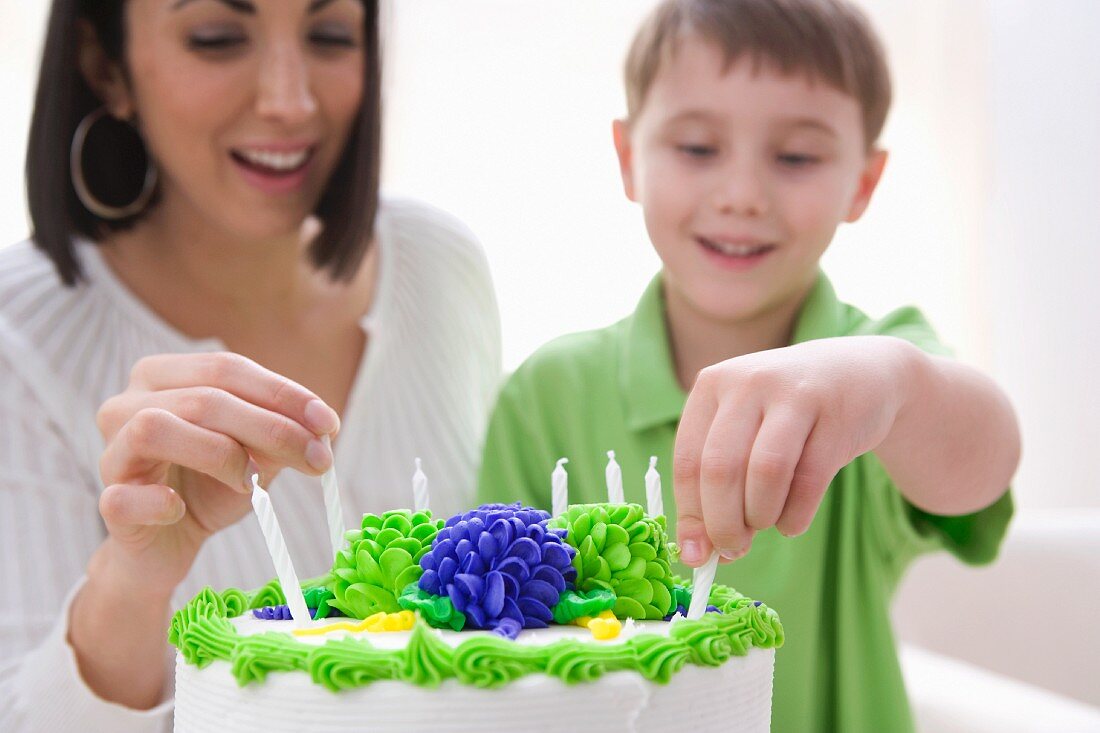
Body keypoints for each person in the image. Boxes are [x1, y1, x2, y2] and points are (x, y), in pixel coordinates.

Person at [478, 1, 1019, 731]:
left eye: (795, 157)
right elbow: (491, 640)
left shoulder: (880, 369)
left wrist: (895, 385)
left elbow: (986, 463)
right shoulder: (548, 392)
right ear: (629, 157)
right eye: (698, 147)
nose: (741, 195)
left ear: (864, 181)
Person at [0, 0, 500, 729]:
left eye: (330, 36)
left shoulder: (442, 266)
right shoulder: (18, 340)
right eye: (217, 38)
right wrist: (135, 577)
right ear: (104, 65)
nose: (289, 101)